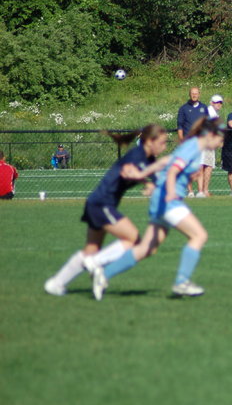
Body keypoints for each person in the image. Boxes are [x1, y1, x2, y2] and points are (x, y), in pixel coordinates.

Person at [92, 118, 226, 300]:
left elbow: (166, 161)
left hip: (160, 200)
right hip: (168, 200)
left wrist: (141, 174)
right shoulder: (193, 147)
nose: (221, 144)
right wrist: (171, 193)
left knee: (147, 248)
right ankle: (182, 282)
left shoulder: (194, 147)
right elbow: (172, 171)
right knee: (199, 236)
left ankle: (103, 274)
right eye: (220, 139)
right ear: (210, 134)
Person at [44, 125, 169, 296]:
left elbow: (156, 179)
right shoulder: (137, 155)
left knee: (91, 249)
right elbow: (127, 170)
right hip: (102, 204)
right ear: (149, 141)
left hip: (96, 202)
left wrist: (153, 184)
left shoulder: (149, 159)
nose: (164, 147)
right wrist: (141, 180)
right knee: (133, 239)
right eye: (162, 143)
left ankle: (55, 284)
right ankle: (95, 262)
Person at [177, 87, 209, 197]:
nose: (194, 95)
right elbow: (180, 126)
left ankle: (200, 191)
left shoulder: (204, 108)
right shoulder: (183, 108)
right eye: (192, 93)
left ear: (199, 94)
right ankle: (190, 191)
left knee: (200, 167)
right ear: (189, 94)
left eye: (196, 93)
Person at [196, 94, 223, 198]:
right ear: (211, 103)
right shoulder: (209, 112)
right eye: (216, 102)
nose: (218, 104)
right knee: (203, 165)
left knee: (208, 165)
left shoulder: (214, 113)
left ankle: (204, 190)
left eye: (220, 103)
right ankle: (202, 190)